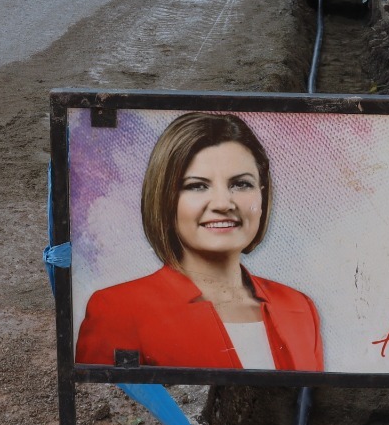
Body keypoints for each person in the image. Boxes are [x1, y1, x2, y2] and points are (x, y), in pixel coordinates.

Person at [75, 112, 324, 371]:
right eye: (197, 186)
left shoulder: (300, 307)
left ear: (262, 196)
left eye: (241, 184)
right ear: (165, 198)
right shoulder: (117, 311)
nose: (223, 204)